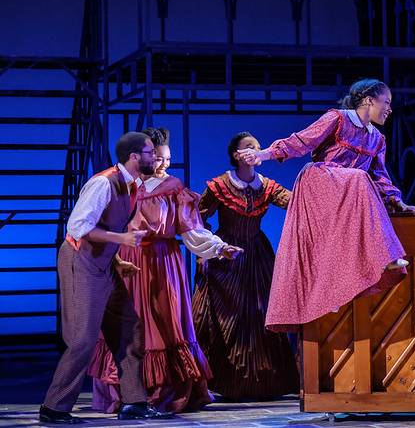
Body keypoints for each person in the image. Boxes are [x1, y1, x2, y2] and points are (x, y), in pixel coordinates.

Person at [237, 78, 415, 331]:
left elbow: (381, 177)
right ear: (369, 100)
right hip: (320, 185)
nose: (390, 109)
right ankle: (387, 255)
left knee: (363, 181)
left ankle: (334, 290)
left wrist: (397, 201)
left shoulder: (377, 139)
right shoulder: (338, 119)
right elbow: (301, 141)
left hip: (348, 196)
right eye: (387, 102)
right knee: (361, 179)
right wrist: (263, 154)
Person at [87, 128, 242, 413]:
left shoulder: (172, 188)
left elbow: (192, 229)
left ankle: (162, 392)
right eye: (158, 158)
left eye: (167, 159)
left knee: (162, 325)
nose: (164, 164)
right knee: (124, 325)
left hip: (161, 263)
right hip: (126, 261)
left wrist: (219, 248)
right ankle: (124, 393)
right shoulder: (120, 186)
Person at [39, 132, 173, 424]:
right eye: (151, 153)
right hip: (81, 262)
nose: (157, 158)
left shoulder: (131, 185)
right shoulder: (104, 182)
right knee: (82, 339)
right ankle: (54, 408)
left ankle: (134, 402)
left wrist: (116, 258)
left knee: (129, 328)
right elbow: (77, 227)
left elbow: (106, 224)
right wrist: (121, 239)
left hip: (104, 264)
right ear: (135, 157)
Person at [192, 131, 300, 400]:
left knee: (260, 314)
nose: (255, 150)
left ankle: (265, 383)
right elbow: (196, 218)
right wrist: (203, 252)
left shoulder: (267, 186)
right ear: (235, 155)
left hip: (257, 254)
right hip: (226, 253)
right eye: (248, 147)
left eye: (257, 146)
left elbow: (295, 201)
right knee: (223, 316)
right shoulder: (220, 185)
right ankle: (220, 382)